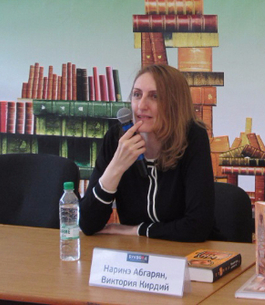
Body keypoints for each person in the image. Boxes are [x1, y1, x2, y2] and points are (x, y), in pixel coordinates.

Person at [79, 64, 214, 241]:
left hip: (185, 252)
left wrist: (137, 230)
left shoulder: (192, 137)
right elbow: (88, 224)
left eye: (154, 96)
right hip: (135, 252)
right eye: (137, 95)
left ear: (175, 104)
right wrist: (116, 167)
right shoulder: (116, 138)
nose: (141, 106)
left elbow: (198, 227)